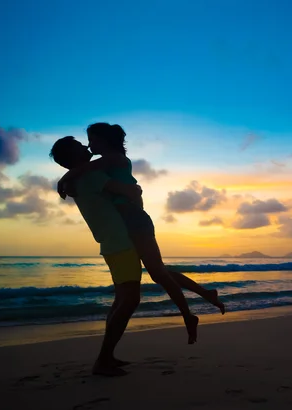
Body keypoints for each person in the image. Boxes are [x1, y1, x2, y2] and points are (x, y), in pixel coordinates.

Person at [56, 123, 224, 345]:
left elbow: (84, 170)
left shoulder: (112, 159)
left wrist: (64, 178)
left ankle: (189, 315)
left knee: (158, 273)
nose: (89, 145)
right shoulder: (101, 168)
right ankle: (205, 295)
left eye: (92, 140)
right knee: (159, 271)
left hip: (135, 222)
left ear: (105, 140)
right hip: (131, 223)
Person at [49, 136, 144, 377]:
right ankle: (103, 360)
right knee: (129, 300)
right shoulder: (91, 176)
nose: (87, 147)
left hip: (111, 243)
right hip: (121, 242)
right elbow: (129, 191)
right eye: (80, 146)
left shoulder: (80, 178)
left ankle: (107, 356)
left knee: (121, 300)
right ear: (73, 156)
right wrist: (135, 189)